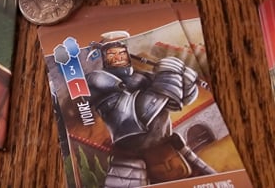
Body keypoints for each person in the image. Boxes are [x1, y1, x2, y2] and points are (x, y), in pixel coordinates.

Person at [86, 31, 215, 186]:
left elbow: (176, 101)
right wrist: (169, 76)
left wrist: (186, 81)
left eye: (121, 53)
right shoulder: (101, 84)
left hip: (169, 149)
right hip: (135, 159)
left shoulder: (142, 76)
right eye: (112, 54)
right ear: (105, 57)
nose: (118, 57)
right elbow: (138, 114)